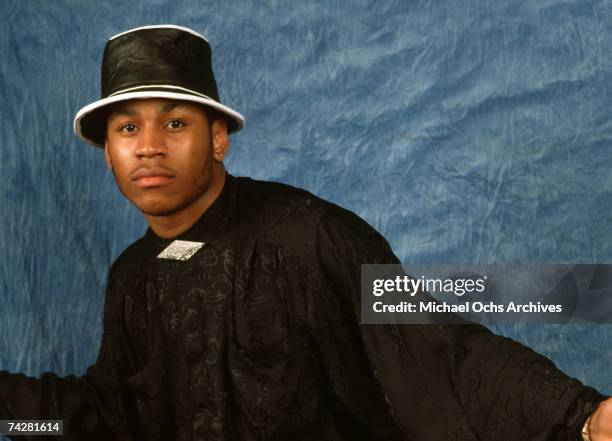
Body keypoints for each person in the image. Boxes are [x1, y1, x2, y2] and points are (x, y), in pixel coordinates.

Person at [0, 24, 610, 441]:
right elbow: (107, 419)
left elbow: (442, 348)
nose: (150, 147)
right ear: (106, 153)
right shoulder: (132, 279)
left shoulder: (312, 234)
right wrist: (13, 419)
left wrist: (581, 419)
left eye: (176, 122)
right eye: (127, 129)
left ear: (218, 138)